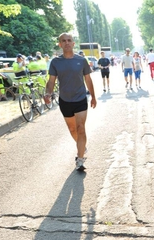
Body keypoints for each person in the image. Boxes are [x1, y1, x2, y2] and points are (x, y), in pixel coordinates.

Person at [44, 32, 96, 171]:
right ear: (60, 44)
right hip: (65, 100)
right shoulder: (55, 62)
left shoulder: (81, 60)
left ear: (73, 43)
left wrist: (93, 96)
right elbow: (51, 81)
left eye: (69, 40)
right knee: (72, 129)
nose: (67, 42)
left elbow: (88, 79)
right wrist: (48, 93)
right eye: (63, 41)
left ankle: (80, 159)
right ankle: (82, 146)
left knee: (80, 128)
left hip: (80, 99)